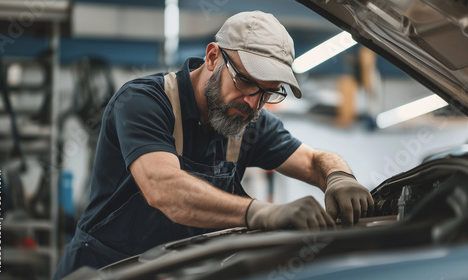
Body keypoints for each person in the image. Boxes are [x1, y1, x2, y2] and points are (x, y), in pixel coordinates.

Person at [53, 10, 374, 279]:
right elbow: (164, 189)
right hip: (104, 270)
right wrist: (259, 213)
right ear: (212, 57)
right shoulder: (143, 102)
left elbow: (315, 160)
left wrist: (339, 177)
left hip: (175, 271)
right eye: (245, 80)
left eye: (268, 92)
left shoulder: (249, 121)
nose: (253, 101)